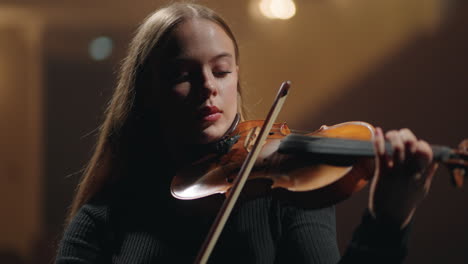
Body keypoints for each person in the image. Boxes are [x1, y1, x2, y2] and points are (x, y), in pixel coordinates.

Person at [55, 3, 438, 263]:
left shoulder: (289, 190)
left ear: (236, 78)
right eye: (182, 76)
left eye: (221, 71)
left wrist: (386, 222)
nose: (208, 87)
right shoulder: (105, 215)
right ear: (147, 92)